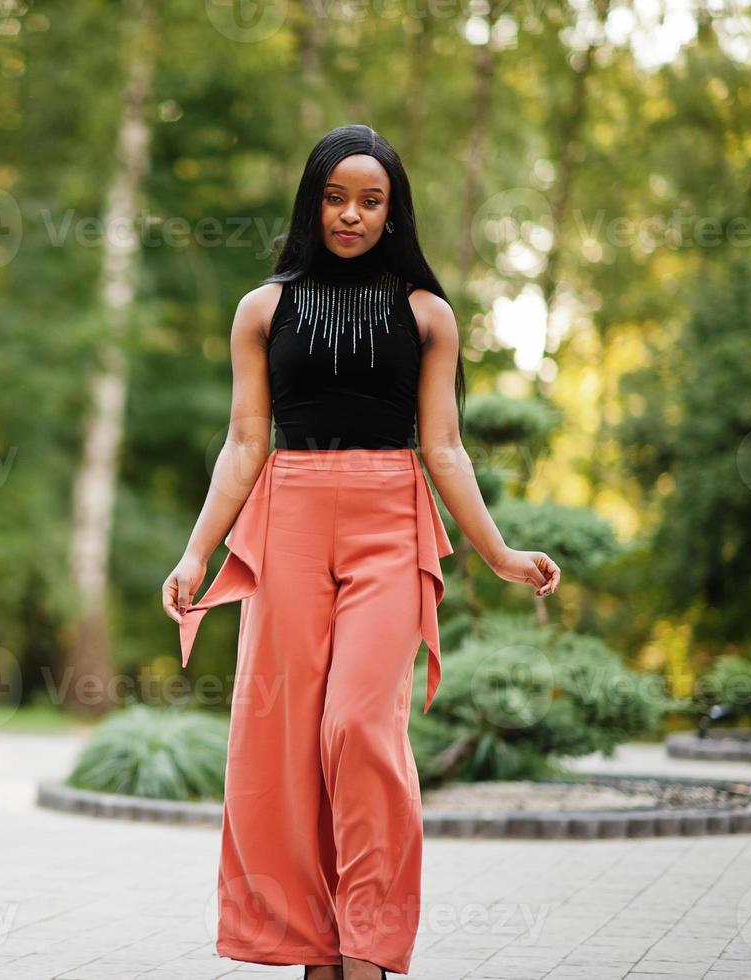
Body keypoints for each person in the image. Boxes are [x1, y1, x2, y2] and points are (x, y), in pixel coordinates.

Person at [160, 124, 561, 979]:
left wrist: (495, 553)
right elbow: (242, 442)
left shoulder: (428, 315)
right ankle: (313, 949)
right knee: (283, 742)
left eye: (369, 201)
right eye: (335, 198)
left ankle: (369, 946)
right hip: (288, 523)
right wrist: (195, 555)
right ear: (312, 202)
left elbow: (444, 447)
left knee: (357, 728)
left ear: (392, 211)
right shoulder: (261, 309)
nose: (350, 214)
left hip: (388, 521)